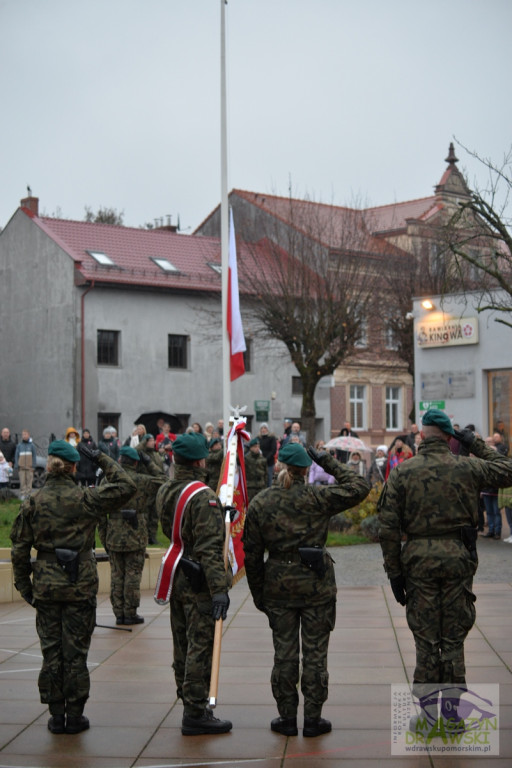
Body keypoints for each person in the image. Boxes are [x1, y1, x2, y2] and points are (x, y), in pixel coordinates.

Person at [378, 409, 512, 728]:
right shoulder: (467, 466)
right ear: (450, 436)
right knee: (452, 639)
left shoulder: (403, 472)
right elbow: (507, 471)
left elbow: (388, 528)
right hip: (457, 558)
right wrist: (475, 443)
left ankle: (427, 718)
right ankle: (452, 716)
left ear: (422, 435)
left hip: (418, 561)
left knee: (425, 639)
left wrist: (394, 573)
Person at [242, 442, 371, 737]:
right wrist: (327, 461)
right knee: (315, 655)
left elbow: (251, 554)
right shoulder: (318, 496)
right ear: (305, 469)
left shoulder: (262, 502)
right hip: (317, 587)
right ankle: (313, 719)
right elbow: (359, 485)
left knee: (284, 655)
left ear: (279, 465)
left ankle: (287, 718)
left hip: (278, 587)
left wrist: (259, 593)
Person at [10, 439, 136, 734]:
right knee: (76, 652)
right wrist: (102, 458)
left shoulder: (33, 501)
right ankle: (76, 716)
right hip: (80, 585)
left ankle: (56, 716)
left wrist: (25, 587)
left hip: (46, 588)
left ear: (51, 467)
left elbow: (19, 550)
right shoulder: (86, 499)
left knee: (51, 652)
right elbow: (127, 485)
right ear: (73, 467)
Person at [156, 432, 232, 735]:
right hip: (199, 578)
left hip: (177, 572)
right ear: (200, 460)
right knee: (200, 645)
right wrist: (219, 591)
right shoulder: (203, 496)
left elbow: (177, 530)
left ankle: (186, 697)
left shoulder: (166, 489)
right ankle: (196, 711)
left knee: (182, 643)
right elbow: (210, 549)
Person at [98, 445, 167, 624]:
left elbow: (100, 513)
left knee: (117, 575)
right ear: (136, 462)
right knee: (133, 574)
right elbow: (164, 480)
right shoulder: (143, 480)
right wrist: (149, 462)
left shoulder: (107, 481)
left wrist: (104, 536)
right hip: (136, 534)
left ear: (120, 460)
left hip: (113, 534)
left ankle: (119, 613)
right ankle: (130, 613)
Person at [14, 429, 37, 499]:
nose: (24, 436)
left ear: (28, 435)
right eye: (23, 434)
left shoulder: (32, 445)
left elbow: (34, 456)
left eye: (25, 434)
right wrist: (16, 465)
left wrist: (33, 466)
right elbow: (16, 455)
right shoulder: (19, 445)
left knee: (29, 481)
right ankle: (23, 494)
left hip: (29, 467)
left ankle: (28, 494)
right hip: (21, 467)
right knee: (22, 481)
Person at [258, 423, 277, 487]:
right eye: (262, 428)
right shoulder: (258, 438)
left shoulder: (271, 438)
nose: (263, 430)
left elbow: (273, 450)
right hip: (260, 462)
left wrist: (266, 458)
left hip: (269, 462)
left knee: (269, 478)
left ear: (267, 429)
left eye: (265, 428)